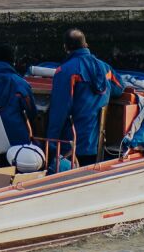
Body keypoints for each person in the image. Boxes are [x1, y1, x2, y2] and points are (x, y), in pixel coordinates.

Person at [46, 29, 123, 170]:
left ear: (65, 47)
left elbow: (60, 109)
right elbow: (119, 88)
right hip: (96, 143)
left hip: (71, 144)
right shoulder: (105, 68)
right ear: (86, 44)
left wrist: (51, 142)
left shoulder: (65, 72)